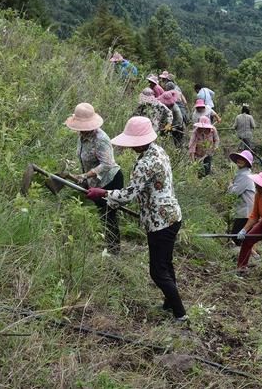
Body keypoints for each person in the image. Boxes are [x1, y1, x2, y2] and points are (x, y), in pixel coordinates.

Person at [86, 117, 188, 322]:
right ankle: (170, 304)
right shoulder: (158, 151)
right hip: (170, 215)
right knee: (165, 264)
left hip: (161, 221)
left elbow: (129, 195)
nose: (131, 147)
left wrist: (103, 193)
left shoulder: (147, 162)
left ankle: (180, 314)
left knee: (158, 272)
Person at [65, 103, 124, 254]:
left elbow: (107, 164)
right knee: (101, 213)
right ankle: (106, 243)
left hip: (110, 181)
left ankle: (113, 251)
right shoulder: (82, 136)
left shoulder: (101, 139)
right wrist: (83, 177)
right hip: (94, 180)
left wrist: (85, 175)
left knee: (108, 216)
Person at [227, 150, 256, 248]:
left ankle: (252, 256)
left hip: (245, 211)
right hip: (243, 209)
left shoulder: (245, 176)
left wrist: (230, 185)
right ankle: (250, 255)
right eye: (239, 158)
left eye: (243, 159)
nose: (240, 160)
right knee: (240, 236)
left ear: (247, 163)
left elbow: (233, 193)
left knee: (237, 236)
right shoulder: (242, 174)